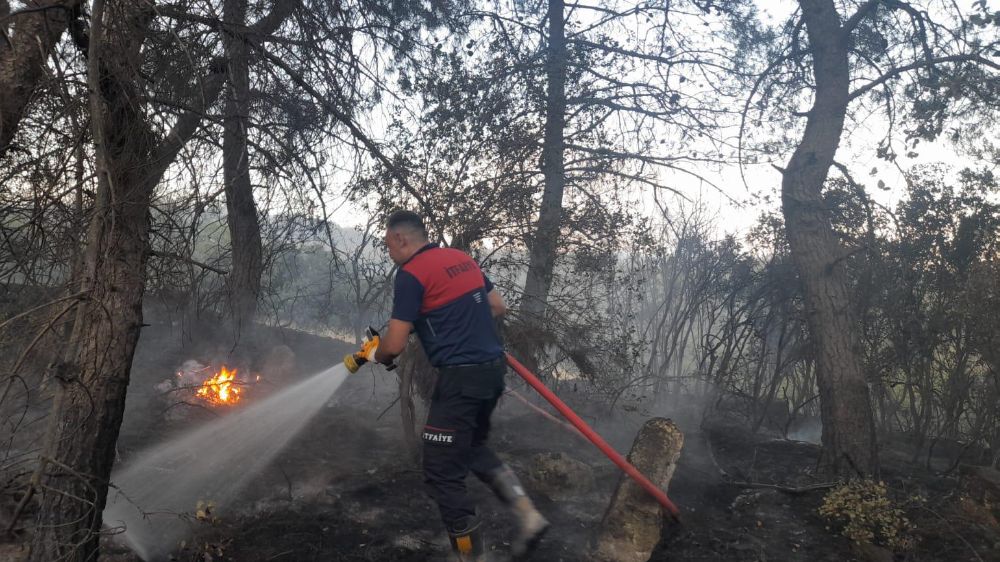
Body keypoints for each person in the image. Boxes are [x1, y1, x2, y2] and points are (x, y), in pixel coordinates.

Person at [352, 210, 549, 561]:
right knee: (472, 446)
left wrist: (376, 355)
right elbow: (497, 306)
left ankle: (471, 557)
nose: (389, 252)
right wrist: (457, 326)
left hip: (461, 379)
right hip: (491, 371)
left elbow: (394, 346)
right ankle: (528, 515)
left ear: (400, 239)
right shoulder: (461, 259)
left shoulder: (411, 275)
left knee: (440, 471)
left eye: (388, 246)